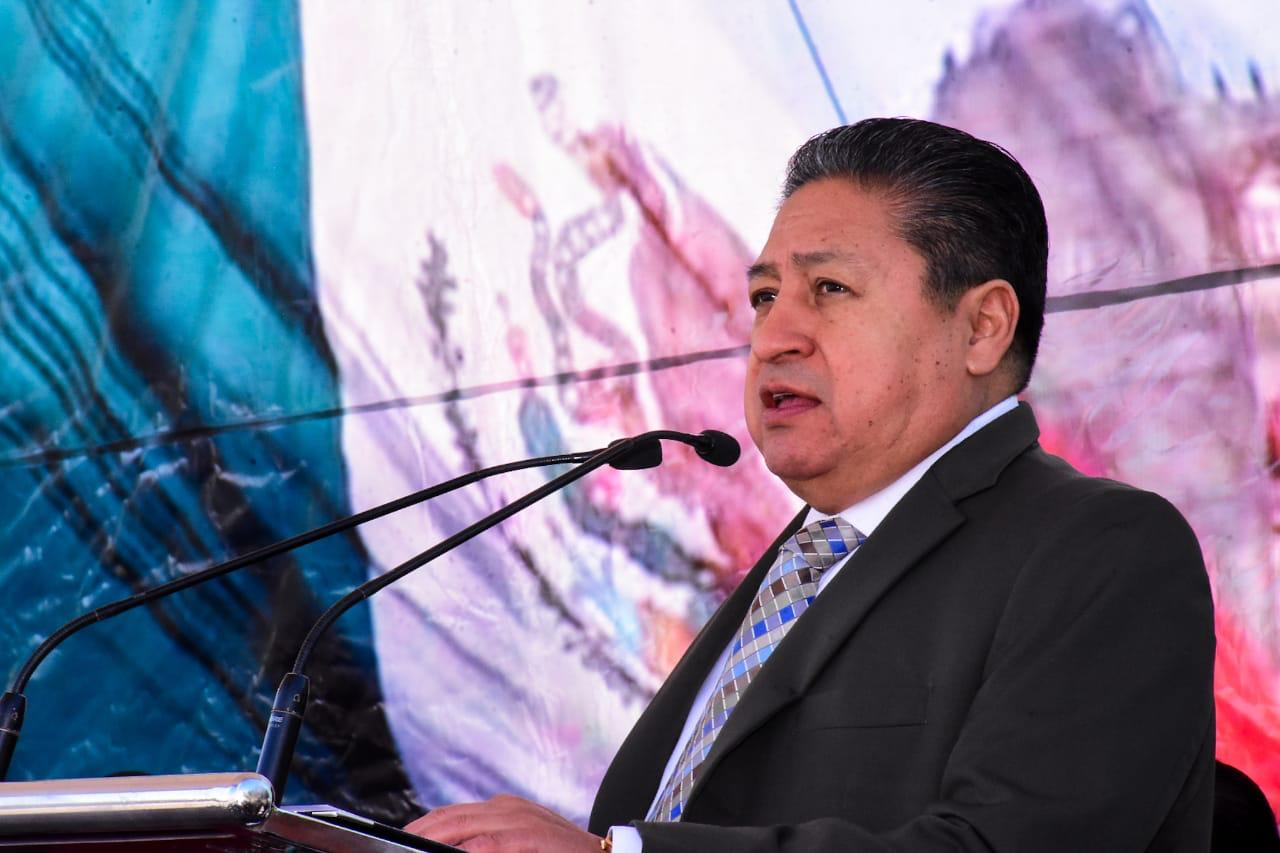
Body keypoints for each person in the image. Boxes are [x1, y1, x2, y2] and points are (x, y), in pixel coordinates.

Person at [406, 118, 1216, 852]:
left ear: (981, 327)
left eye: (829, 289)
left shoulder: (1104, 551)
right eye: (765, 297)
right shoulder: (809, 558)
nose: (772, 337)